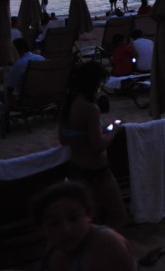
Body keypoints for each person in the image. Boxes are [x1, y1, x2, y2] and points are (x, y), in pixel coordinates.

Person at [58, 61, 127, 233]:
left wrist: (92, 132)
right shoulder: (91, 109)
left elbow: (64, 138)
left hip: (76, 169)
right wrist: (113, 131)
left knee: (90, 222)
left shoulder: (69, 103)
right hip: (97, 172)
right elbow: (98, 147)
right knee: (118, 217)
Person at [33, 181, 134, 271]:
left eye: (74, 218)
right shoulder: (53, 246)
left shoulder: (106, 243)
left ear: (89, 214)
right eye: (54, 224)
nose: (66, 229)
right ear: (41, 230)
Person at [2, 37, 45, 106]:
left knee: (2, 95)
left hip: (28, 100)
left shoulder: (19, 64)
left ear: (17, 50)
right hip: (45, 97)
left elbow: (9, 88)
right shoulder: (41, 58)